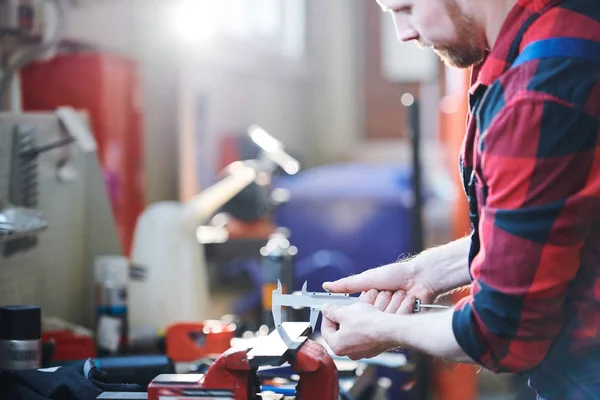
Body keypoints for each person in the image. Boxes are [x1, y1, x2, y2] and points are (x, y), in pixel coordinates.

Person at [319, 0, 600, 399]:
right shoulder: (551, 30)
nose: (404, 33)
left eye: (407, 8)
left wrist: (385, 329)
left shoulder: (538, 89)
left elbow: (502, 333)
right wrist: (426, 272)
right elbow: (560, 224)